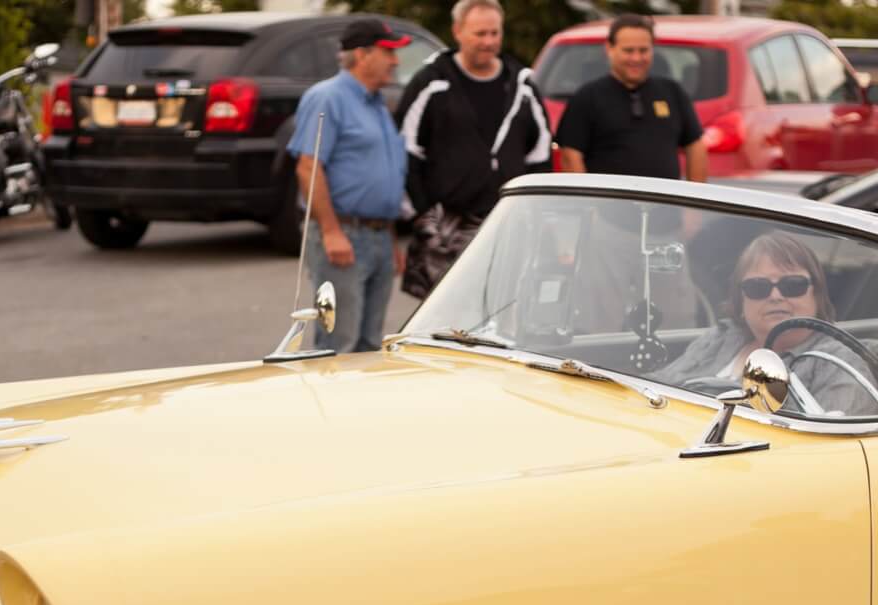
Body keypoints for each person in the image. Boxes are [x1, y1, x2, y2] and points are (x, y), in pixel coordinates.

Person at [396, 0, 553, 298]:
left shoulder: (522, 85)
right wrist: (423, 214)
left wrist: (535, 211)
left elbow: (540, 155)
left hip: (509, 225)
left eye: (495, 33)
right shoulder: (432, 81)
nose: (489, 42)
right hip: (446, 230)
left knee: (504, 313)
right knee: (443, 324)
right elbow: (406, 150)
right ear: (458, 32)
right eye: (480, 33)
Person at [286, 18, 411, 352]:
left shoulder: (376, 104)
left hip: (378, 236)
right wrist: (330, 231)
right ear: (362, 54)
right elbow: (309, 167)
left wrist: (390, 238)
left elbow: (383, 175)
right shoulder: (327, 98)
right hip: (342, 236)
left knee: (369, 346)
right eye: (389, 52)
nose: (395, 61)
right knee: (339, 343)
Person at [656, 232, 878, 415]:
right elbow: (657, 389)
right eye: (758, 287)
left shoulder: (838, 362)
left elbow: (831, 447)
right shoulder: (721, 337)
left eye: (792, 285)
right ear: (741, 299)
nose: (775, 296)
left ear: (818, 294)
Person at [554, 15, 707, 182]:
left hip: (665, 206)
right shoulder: (587, 97)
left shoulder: (672, 92)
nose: (636, 58)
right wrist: (587, 204)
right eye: (628, 51)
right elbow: (570, 155)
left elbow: (695, 146)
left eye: (643, 50)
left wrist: (694, 206)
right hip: (608, 206)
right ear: (609, 48)